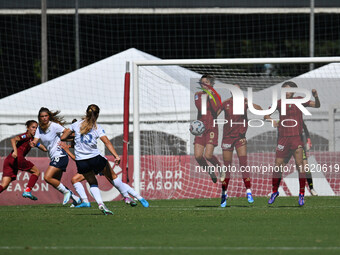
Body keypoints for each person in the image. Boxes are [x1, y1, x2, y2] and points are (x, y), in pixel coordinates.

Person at [60, 104, 149, 215]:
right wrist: (116, 156)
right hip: (95, 159)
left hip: (81, 161)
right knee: (113, 177)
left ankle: (101, 203)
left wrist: (76, 137)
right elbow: (107, 142)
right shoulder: (97, 127)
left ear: (86, 112)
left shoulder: (75, 125)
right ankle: (127, 196)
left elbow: (63, 137)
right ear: (97, 115)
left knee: (92, 182)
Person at [265, 81, 320, 206]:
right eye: (284, 90)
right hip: (283, 139)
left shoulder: (300, 100)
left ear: (294, 92)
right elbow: (266, 114)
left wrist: (316, 96)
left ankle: (301, 194)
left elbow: (316, 105)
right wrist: (272, 120)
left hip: (296, 138)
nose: (286, 92)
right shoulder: (278, 103)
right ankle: (274, 191)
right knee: (278, 166)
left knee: (300, 165)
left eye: (288, 90)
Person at [60, 140, 148, 208]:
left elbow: (78, 158)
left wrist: (67, 150)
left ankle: (137, 197)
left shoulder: (81, 139)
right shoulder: (79, 138)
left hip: (96, 162)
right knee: (75, 179)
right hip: (91, 163)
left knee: (114, 181)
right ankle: (86, 201)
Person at [218, 84, 263, 207]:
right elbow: (214, 115)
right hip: (227, 138)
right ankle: (224, 193)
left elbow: (259, 109)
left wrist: (250, 102)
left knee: (244, 164)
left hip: (240, 138)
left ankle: (248, 191)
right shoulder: (225, 103)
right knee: (227, 167)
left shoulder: (245, 102)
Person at [31, 107, 81, 206]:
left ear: (49, 116)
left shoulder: (54, 126)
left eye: (46, 116)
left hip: (60, 155)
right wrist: (33, 143)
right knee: (56, 182)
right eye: (42, 116)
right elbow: (36, 140)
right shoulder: (39, 129)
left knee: (47, 177)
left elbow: (67, 131)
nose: (44, 118)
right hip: (53, 157)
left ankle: (67, 192)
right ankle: (76, 198)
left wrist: (74, 137)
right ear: (39, 118)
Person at [0, 120, 46, 200]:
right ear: (28, 128)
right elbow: (13, 139)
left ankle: (27, 191)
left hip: (9, 160)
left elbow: (44, 149)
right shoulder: (26, 136)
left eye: (36, 128)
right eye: (33, 127)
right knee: (36, 172)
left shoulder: (32, 139)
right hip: (17, 158)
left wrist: (40, 145)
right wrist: (15, 151)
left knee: (4, 185)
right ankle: (27, 191)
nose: (35, 129)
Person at [194, 74, 223, 183]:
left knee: (208, 155)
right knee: (198, 156)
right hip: (200, 129)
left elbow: (216, 110)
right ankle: (210, 170)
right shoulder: (197, 95)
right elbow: (201, 108)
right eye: (202, 82)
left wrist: (211, 97)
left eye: (206, 82)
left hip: (211, 128)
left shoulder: (216, 95)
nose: (204, 84)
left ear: (211, 84)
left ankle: (220, 168)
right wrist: (206, 97)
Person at [283, 121, 318, 196]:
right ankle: (274, 190)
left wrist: (308, 140)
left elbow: (305, 129)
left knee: (306, 167)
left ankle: (311, 189)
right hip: (288, 146)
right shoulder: (285, 119)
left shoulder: (298, 119)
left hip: (299, 146)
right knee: (280, 166)